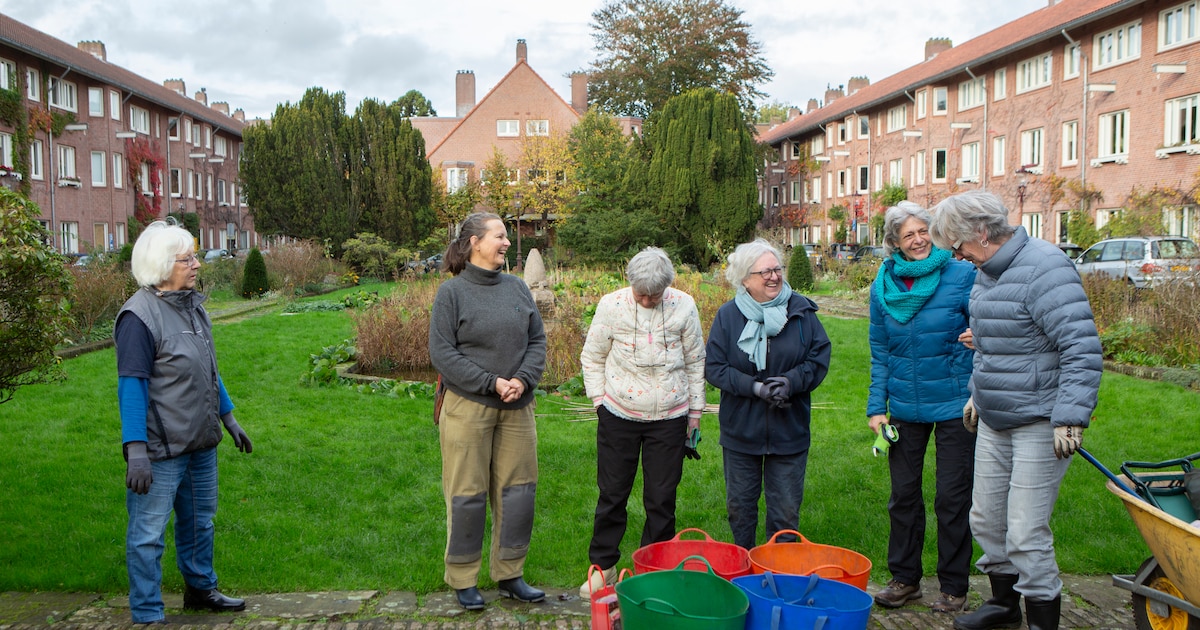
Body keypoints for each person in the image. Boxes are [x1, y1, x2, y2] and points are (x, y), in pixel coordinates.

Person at [928, 190, 1102, 630]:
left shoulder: (1045, 268)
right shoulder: (986, 271)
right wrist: (976, 393)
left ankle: (1042, 619)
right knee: (987, 519)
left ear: (981, 232)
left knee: (1025, 531)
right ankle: (1005, 607)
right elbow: (989, 343)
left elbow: (1080, 347)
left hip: (1040, 420)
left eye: (957, 245)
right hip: (994, 417)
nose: (957, 255)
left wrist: (1070, 417)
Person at [115, 220, 253, 624]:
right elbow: (132, 386)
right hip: (161, 448)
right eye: (186, 259)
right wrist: (136, 450)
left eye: (194, 257)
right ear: (162, 266)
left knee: (199, 523)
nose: (196, 264)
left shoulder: (192, 306)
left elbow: (207, 370)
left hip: (200, 440)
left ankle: (200, 589)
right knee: (148, 535)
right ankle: (147, 612)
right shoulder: (138, 317)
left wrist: (228, 418)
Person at [429, 212, 547, 611]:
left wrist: (523, 380)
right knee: (467, 495)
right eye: (499, 236)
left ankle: (510, 574)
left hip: (518, 406)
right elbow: (442, 353)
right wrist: (490, 382)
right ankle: (464, 578)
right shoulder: (452, 293)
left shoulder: (517, 288)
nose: (507, 242)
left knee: (519, 493)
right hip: (468, 407)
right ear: (474, 242)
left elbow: (537, 340)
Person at [866, 202, 977, 613]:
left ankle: (954, 586)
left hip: (954, 404)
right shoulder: (883, 286)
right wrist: (877, 407)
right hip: (904, 408)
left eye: (922, 231)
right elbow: (880, 351)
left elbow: (987, 325)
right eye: (907, 235)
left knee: (952, 498)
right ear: (894, 242)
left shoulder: (962, 274)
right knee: (903, 497)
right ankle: (905, 579)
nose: (918, 240)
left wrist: (979, 335)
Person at [577, 247, 707, 597]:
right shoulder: (611, 305)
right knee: (612, 493)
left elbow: (696, 360)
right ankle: (603, 566)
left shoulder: (684, 306)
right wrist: (600, 403)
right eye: (641, 294)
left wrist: (695, 413)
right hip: (618, 414)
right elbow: (592, 356)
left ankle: (654, 568)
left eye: (655, 295)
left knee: (661, 498)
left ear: (667, 287)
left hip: (670, 417)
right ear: (630, 283)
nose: (648, 301)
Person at [705, 238, 831, 549]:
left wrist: (790, 382)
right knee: (740, 510)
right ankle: (745, 567)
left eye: (777, 269)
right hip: (741, 431)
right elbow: (715, 367)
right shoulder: (728, 316)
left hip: (789, 430)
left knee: (785, 515)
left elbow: (818, 358)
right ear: (745, 280)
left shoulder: (801, 312)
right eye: (765, 272)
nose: (774, 277)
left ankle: (781, 569)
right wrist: (754, 387)